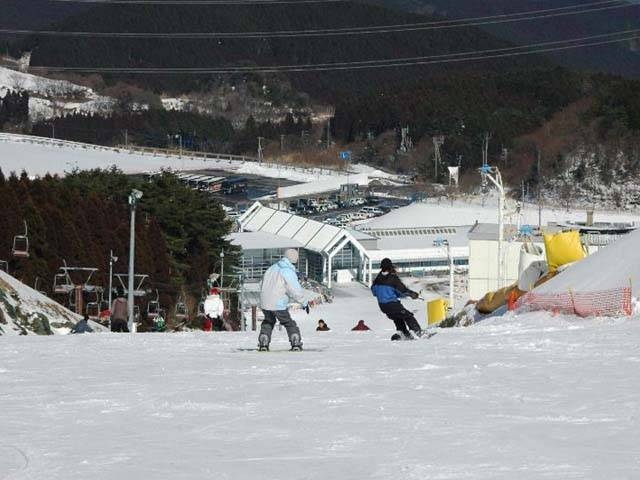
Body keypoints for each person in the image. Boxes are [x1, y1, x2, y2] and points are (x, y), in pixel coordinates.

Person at [258, 248, 308, 351]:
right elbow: (295, 289)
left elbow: (261, 283)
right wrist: (304, 302)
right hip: (278, 304)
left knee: (268, 321)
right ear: (294, 259)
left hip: (265, 302)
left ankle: (264, 339)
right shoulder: (287, 271)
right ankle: (295, 341)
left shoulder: (272, 268)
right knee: (288, 323)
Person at [371, 258, 422, 340]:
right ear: (390, 267)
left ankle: (403, 333)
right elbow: (403, 291)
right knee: (408, 315)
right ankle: (417, 332)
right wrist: (413, 295)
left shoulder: (377, 279)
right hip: (392, 304)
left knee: (397, 317)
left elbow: (374, 292)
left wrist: (387, 294)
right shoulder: (393, 278)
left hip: (383, 306)